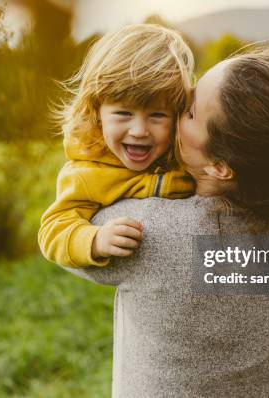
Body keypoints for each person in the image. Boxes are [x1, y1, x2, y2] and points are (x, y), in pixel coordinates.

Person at [60, 43, 269, 397]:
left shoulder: (144, 230)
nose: (173, 108)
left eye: (187, 111)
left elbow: (68, 233)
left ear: (219, 166)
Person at [37, 24, 195, 269]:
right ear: (96, 112)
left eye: (157, 116)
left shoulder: (188, 153)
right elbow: (52, 229)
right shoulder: (87, 173)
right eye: (123, 113)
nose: (140, 131)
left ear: (177, 116)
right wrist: (95, 240)